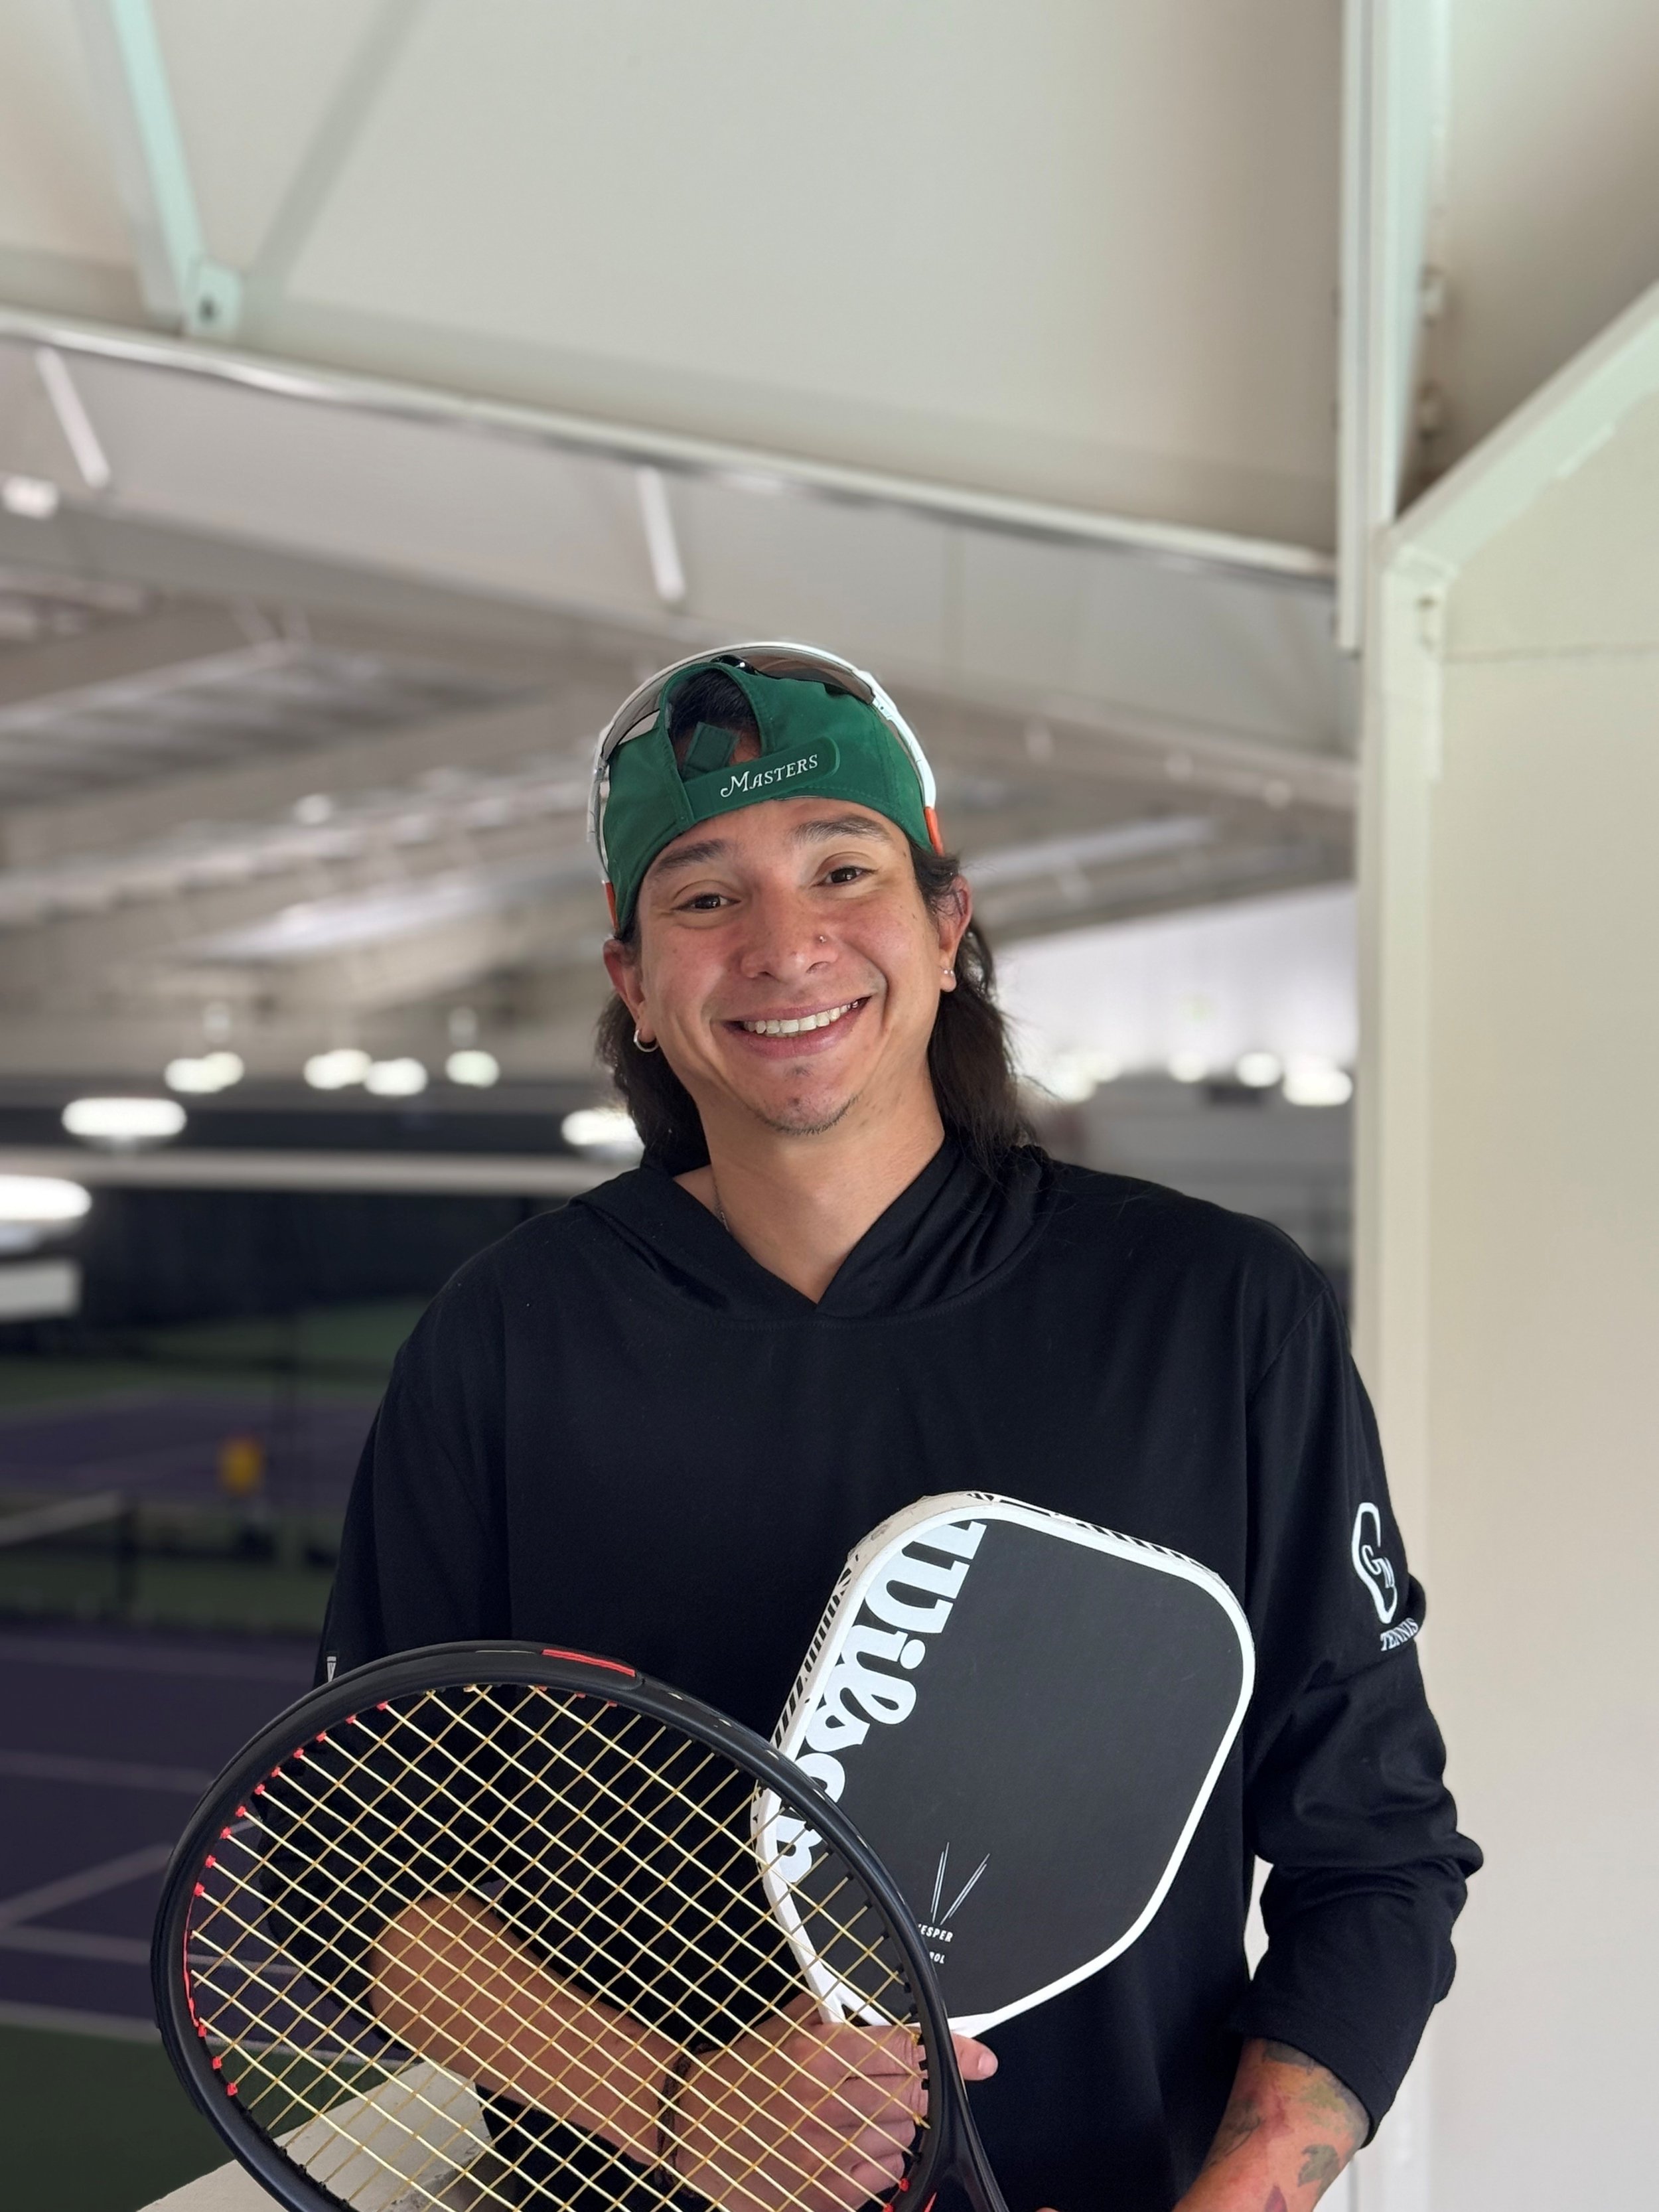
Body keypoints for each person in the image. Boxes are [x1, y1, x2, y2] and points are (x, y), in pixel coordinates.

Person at [320, 644, 1479, 2212]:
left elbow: (1374, 1854)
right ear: (633, 984)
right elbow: (365, 1876)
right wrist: (678, 2110)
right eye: (702, 894)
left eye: (841, 868)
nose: (782, 944)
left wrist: (1247, 2187)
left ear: (945, 927)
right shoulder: (504, 1338)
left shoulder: (1213, 1311)